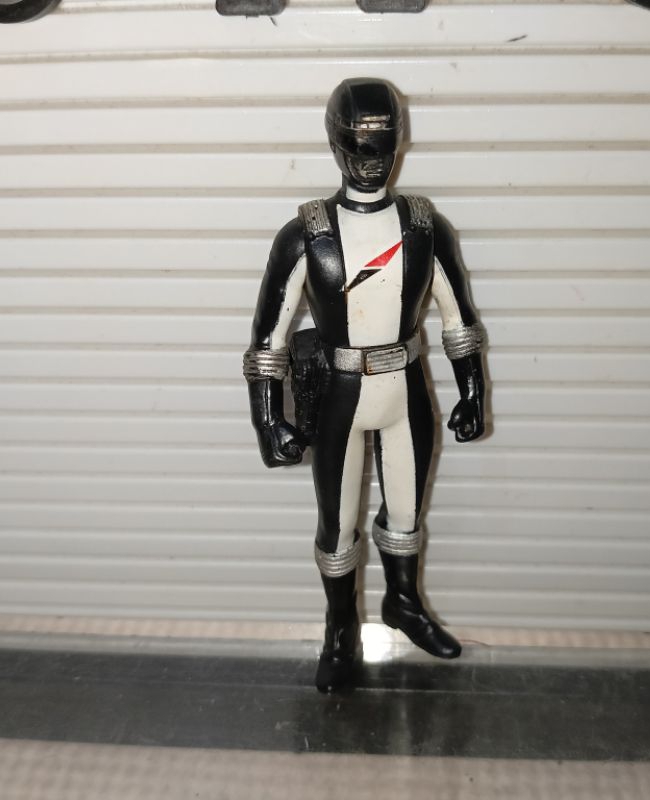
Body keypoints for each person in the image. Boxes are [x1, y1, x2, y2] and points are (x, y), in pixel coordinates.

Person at [244, 78, 487, 693]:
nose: (371, 162)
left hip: (406, 388)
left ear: (399, 142)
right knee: (338, 522)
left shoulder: (425, 226)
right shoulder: (305, 233)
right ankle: (340, 627)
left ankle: (402, 602)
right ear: (336, 145)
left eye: (381, 148)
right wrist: (266, 418)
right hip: (339, 395)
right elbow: (268, 340)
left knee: (406, 511)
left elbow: (458, 320)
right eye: (358, 148)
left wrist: (473, 390)